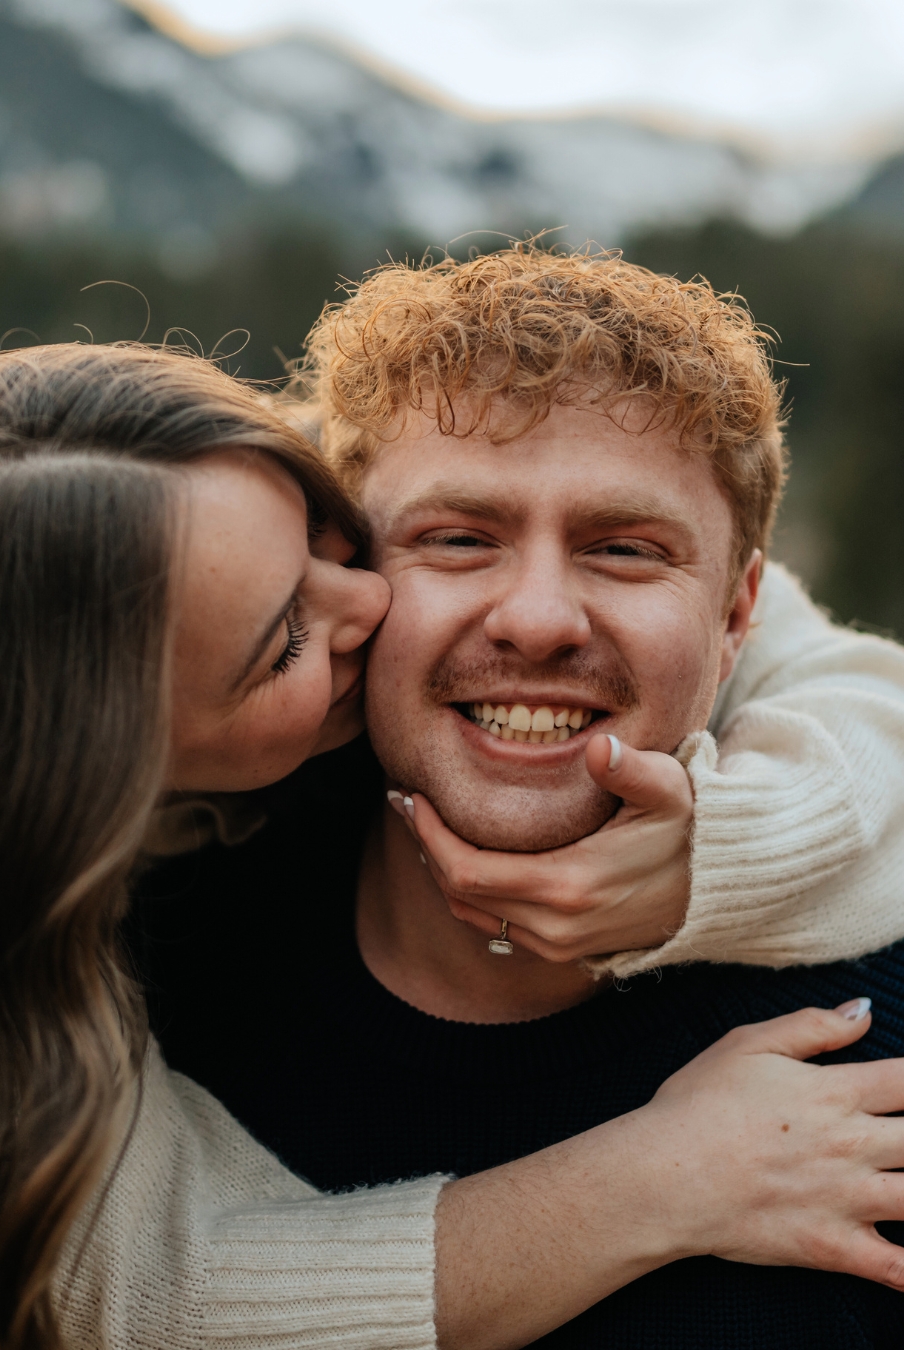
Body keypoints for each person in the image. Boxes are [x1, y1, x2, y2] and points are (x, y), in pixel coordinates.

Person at [0, 344, 904, 1350]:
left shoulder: (207, 505)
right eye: (285, 639)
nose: (374, 600)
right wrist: (661, 1180)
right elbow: (152, 1293)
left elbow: (779, 626)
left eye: (331, 540)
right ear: (102, 784)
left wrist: (732, 847)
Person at [132, 250, 904, 1347]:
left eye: (625, 550)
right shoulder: (137, 946)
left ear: (741, 617)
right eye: (456, 539)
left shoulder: (867, 1089)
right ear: (348, 575)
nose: (538, 619)